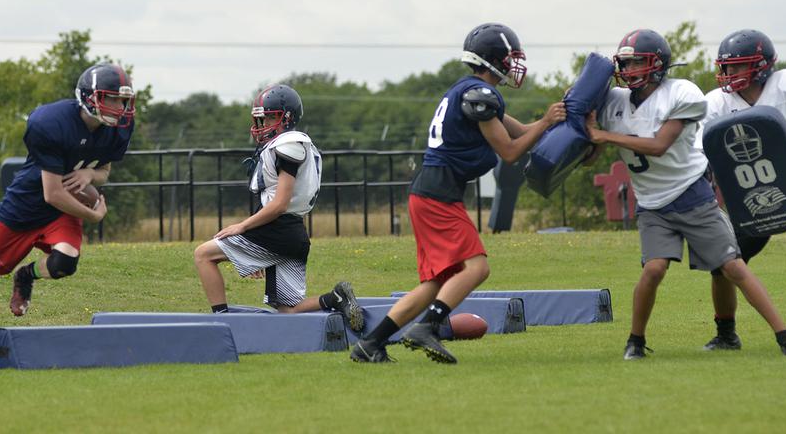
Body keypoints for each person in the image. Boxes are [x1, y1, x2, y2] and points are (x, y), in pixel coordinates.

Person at [351, 22, 566, 364]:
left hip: (429, 194)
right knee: (477, 268)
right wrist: (545, 124)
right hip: (437, 196)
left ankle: (371, 343)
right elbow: (510, 151)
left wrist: (551, 121)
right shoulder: (478, 95)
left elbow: (523, 132)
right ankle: (428, 327)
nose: (514, 65)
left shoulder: (471, 91)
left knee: (437, 284)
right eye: (510, 58)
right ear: (494, 59)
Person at [585, 29, 786, 360]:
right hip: (652, 203)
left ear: (658, 64)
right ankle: (635, 342)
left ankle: (785, 336)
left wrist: (603, 136)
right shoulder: (613, 102)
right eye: (625, 63)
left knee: (733, 267)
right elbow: (591, 149)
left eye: (636, 62)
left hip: (692, 194)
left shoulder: (682, 92)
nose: (628, 70)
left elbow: (659, 146)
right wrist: (577, 126)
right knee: (653, 269)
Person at [0, 62, 137, 371]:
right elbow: (52, 193)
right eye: (113, 98)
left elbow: (104, 169)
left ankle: (27, 275)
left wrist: (91, 172)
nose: (120, 107)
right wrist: (92, 217)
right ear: (89, 98)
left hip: (60, 211)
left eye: (123, 100)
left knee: (65, 263)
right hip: (24, 209)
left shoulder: (119, 127)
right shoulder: (50, 122)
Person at [193, 84, 364, 331]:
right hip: (292, 233)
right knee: (288, 310)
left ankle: (223, 320)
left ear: (287, 117)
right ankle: (336, 298)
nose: (263, 124)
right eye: (261, 118)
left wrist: (242, 228)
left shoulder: (289, 143)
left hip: (277, 230)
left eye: (270, 117)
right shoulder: (291, 144)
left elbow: (279, 204)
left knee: (203, 255)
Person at [701, 29, 786, 351]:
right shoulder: (716, 103)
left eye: (737, 66)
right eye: (726, 66)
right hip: (746, 197)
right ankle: (726, 334)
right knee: (724, 262)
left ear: (761, 66)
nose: (729, 73)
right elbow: (706, 156)